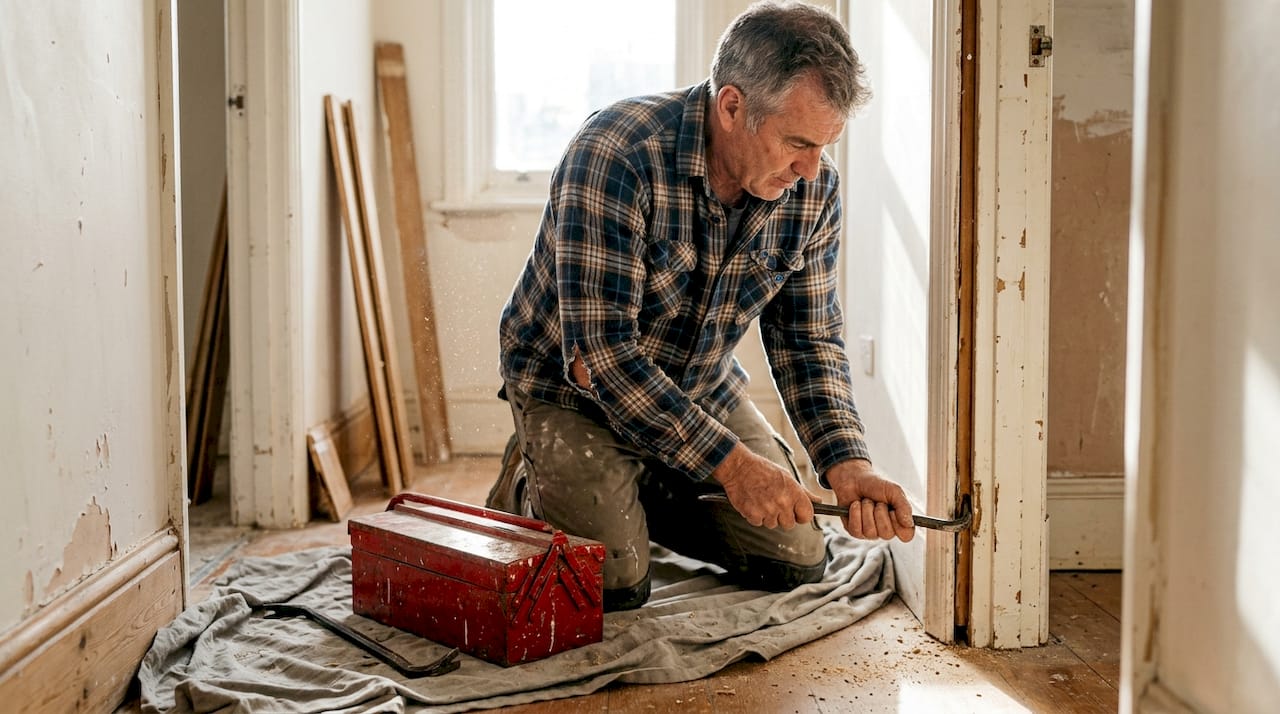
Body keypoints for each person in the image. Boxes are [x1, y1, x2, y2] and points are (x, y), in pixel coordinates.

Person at [488, 0, 915, 611]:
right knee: (610, 587)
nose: (811, 170)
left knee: (795, 560)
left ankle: (640, 488)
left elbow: (808, 341)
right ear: (733, 106)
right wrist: (733, 468)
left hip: (696, 385)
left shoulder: (811, 189)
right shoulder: (616, 155)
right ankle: (532, 484)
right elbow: (604, 358)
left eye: (825, 146)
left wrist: (847, 464)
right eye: (797, 143)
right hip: (573, 390)